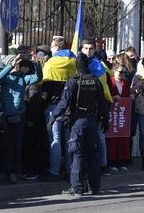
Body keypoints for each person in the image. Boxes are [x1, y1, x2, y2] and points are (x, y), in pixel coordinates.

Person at [47, 53, 109, 196]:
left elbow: (64, 103)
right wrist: (106, 120)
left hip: (78, 123)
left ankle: (77, 188)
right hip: (92, 122)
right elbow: (102, 103)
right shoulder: (95, 80)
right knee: (93, 155)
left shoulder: (73, 80)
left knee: (78, 154)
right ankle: (95, 187)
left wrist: (53, 118)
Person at [0, 48, 42, 184]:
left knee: (17, 145)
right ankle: (6, 171)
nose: (17, 65)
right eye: (15, 64)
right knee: (6, 145)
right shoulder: (5, 78)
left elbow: (38, 77)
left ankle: (16, 171)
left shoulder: (23, 78)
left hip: (19, 116)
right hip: (5, 116)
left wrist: (36, 64)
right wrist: (12, 64)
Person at [41, 37, 76, 180]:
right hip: (70, 106)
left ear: (57, 47)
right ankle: (69, 171)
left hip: (54, 105)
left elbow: (45, 86)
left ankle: (54, 171)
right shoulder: (73, 62)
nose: (51, 49)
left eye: (52, 47)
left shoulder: (51, 63)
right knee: (68, 139)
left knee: (55, 139)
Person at [80, 40, 113, 175]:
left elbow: (105, 87)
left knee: (99, 137)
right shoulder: (79, 63)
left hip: (97, 105)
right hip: (82, 106)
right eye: (86, 48)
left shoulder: (99, 66)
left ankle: (102, 165)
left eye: (91, 48)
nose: (88, 51)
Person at [106, 63, 131, 172]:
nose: (122, 74)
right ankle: (111, 162)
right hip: (112, 114)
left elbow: (127, 96)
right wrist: (113, 97)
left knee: (122, 137)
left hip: (122, 114)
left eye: (124, 72)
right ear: (114, 71)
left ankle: (120, 161)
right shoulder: (110, 82)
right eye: (120, 72)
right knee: (112, 138)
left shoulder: (125, 83)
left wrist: (131, 96)